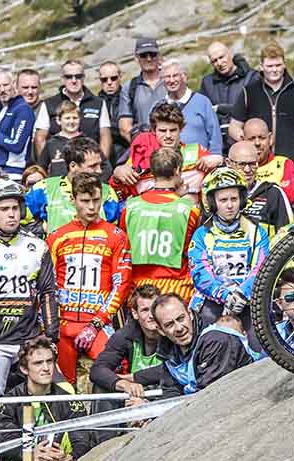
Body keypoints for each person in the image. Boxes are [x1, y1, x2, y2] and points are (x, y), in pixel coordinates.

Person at [47, 172, 132, 389]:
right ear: (73, 200)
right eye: (85, 201)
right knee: (61, 386)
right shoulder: (57, 237)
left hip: (97, 322)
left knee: (116, 373)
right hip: (64, 324)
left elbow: (121, 284)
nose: (92, 207)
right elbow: (49, 286)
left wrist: (96, 323)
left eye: (96, 200)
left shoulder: (116, 235)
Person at [0, 178, 57, 394]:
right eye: (4, 209)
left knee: (38, 397)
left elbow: (47, 292)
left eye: (16, 208)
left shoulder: (37, 246)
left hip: (29, 341)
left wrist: (51, 336)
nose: (11, 214)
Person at [0, 337, 90, 461]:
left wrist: (69, 458)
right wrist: (30, 453)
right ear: (24, 369)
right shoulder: (8, 402)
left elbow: (82, 439)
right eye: (38, 363)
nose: (46, 368)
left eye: (49, 361)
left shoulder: (69, 400)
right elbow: (7, 444)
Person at [188, 168, 269, 336]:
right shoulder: (202, 234)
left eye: (234, 199)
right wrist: (225, 295)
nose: (230, 205)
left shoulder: (257, 232)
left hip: (248, 301)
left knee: (261, 344)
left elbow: (261, 269)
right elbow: (199, 273)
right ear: (212, 202)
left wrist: (241, 293)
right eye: (223, 200)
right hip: (212, 303)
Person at [119, 148, 201, 302]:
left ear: (153, 172)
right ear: (177, 170)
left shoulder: (129, 207)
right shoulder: (190, 210)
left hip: (138, 293)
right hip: (176, 291)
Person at [110, 102, 222, 202]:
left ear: (181, 129)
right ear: (153, 130)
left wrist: (220, 161)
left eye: (173, 130)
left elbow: (223, 183)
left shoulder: (197, 152)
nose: (168, 136)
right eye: (163, 131)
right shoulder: (141, 158)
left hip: (190, 220)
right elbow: (118, 196)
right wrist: (116, 176)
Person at [154, 293, 255, 397]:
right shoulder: (168, 354)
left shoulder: (216, 340)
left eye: (181, 318)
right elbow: (171, 394)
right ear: (160, 330)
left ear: (190, 314)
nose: (179, 328)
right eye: (169, 324)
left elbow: (209, 395)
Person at [229, 41, 294, 161]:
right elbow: (234, 126)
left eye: (278, 65)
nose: (274, 70)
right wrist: (248, 143)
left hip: (291, 161)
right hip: (258, 164)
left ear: (284, 64)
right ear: (261, 66)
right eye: (270, 66)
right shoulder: (249, 91)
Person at [26, 137, 121, 233]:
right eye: (93, 166)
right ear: (73, 166)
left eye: (100, 165)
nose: (99, 171)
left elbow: (114, 232)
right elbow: (22, 225)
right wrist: (42, 229)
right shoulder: (44, 188)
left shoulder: (107, 193)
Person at [89, 284, 163, 397]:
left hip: (167, 390)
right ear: (135, 313)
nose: (151, 315)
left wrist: (133, 377)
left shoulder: (171, 329)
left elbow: (176, 369)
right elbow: (97, 370)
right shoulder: (125, 335)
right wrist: (123, 383)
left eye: (154, 308)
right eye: (145, 310)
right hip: (137, 391)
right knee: (103, 386)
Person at [33, 59, 112, 160]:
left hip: (90, 165)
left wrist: (100, 164)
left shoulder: (98, 103)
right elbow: (40, 138)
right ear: (62, 78)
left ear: (83, 77)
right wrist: (46, 166)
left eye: (78, 76)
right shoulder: (49, 104)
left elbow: (105, 136)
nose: (74, 80)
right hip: (59, 164)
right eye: (69, 77)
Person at [200, 41, 258, 153]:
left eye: (221, 57)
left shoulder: (252, 78)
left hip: (245, 143)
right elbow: (205, 114)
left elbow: (253, 109)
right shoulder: (207, 83)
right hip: (218, 145)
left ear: (230, 54)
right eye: (214, 61)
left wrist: (220, 108)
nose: (219, 63)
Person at [228, 140, 293, 235]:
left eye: (252, 164)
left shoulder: (273, 193)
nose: (247, 170)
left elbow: (287, 235)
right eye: (241, 164)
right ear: (228, 163)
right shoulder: (216, 193)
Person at [158, 60, 222, 155]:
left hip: (201, 164)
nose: (171, 80)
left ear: (184, 77)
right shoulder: (159, 106)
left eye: (175, 75)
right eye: (167, 77)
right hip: (169, 165)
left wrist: (215, 157)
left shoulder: (202, 102)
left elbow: (215, 135)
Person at [118, 37, 168, 142]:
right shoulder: (129, 88)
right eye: (144, 55)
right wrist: (143, 144)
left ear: (159, 56)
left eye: (153, 54)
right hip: (145, 146)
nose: (149, 59)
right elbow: (124, 127)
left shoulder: (170, 81)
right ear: (136, 58)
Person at [0, 70, 35, 179]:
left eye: (5, 85)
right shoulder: (0, 112)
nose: (2, 90)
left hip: (12, 173)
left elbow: (16, 145)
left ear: (14, 84)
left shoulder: (23, 110)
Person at [242, 118, 294, 205]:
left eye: (262, 138)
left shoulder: (285, 164)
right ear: (243, 140)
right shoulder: (236, 166)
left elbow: (290, 196)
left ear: (270, 139)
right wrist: (276, 189)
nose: (257, 143)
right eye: (251, 139)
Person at [38, 99, 84, 176]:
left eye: (75, 118)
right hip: (57, 186)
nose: (71, 122)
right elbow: (41, 168)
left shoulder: (87, 142)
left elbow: (105, 166)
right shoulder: (51, 143)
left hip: (81, 186)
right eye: (67, 118)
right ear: (58, 120)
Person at [96, 61, 125, 162]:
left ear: (120, 77)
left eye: (113, 78)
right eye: (104, 79)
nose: (109, 82)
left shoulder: (129, 98)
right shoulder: (95, 103)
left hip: (126, 150)